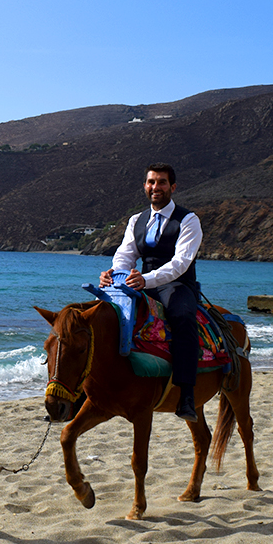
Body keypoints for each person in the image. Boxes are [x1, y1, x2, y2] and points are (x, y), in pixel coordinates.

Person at [100, 163, 203, 422]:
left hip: (176, 284)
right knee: (100, 316)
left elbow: (181, 263)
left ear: (173, 187)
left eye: (162, 182)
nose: (155, 187)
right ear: (145, 186)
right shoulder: (137, 220)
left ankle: (187, 394)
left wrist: (146, 280)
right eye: (151, 182)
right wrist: (113, 274)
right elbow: (125, 255)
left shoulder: (188, 220)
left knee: (182, 317)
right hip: (139, 282)